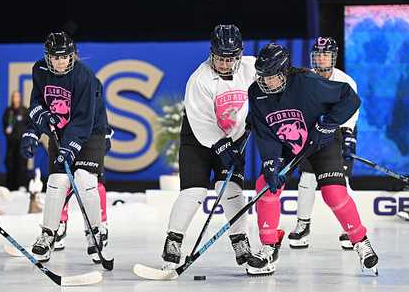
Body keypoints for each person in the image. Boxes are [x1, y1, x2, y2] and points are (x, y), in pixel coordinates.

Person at [247, 43, 378, 276]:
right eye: (263, 77)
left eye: (273, 77)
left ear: (285, 71)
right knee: (266, 186)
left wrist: (328, 124)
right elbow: (266, 133)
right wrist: (270, 162)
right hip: (288, 145)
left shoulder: (308, 83)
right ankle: (268, 245)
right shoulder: (256, 93)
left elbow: (350, 98)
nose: (267, 83)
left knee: (334, 194)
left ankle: (360, 241)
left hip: (323, 142)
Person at [160, 24, 256, 271]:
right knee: (193, 192)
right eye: (220, 58)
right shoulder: (199, 79)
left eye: (230, 59)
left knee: (232, 190)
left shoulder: (250, 68)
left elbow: (270, 83)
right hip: (198, 140)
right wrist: (224, 147)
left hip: (233, 139)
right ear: (211, 54)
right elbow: (202, 123)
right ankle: (173, 241)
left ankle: (241, 240)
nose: (225, 64)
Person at [20, 31, 110, 264]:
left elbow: (83, 119)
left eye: (64, 57)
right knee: (58, 181)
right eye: (54, 57)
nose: (59, 62)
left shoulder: (85, 77)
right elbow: (37, 102)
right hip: (60, 131)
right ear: (47, 57)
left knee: (84, 180)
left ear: (73, 56)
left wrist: (69, 148)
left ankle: (95, 233)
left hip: (90, 132)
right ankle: (48, 234)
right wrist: (33, 131)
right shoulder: (39, 70)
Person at [289, 37, 359, 250]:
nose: (321, 58)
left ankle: (350, 228)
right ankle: (303, 226)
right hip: (312, 133)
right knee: (307, 179)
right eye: (318, 54)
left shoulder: (346, 81)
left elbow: (351, 111)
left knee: (341, 180)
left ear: (333, 57)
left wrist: (348, 137)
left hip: (338, 132)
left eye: (325, 54)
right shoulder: (305, 79)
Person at [2, 91, 29, 190]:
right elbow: (4, 124)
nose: (15, 98)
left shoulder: (24, 111)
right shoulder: (9, 111)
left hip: (22, 142)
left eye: (17, 96)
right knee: (10, 163)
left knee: (22, 164)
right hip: (11, 143)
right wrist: (7, 133)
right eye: (14, 96)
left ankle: (22, 185)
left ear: (20, 98)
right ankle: (10, 186)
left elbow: (29, 125)